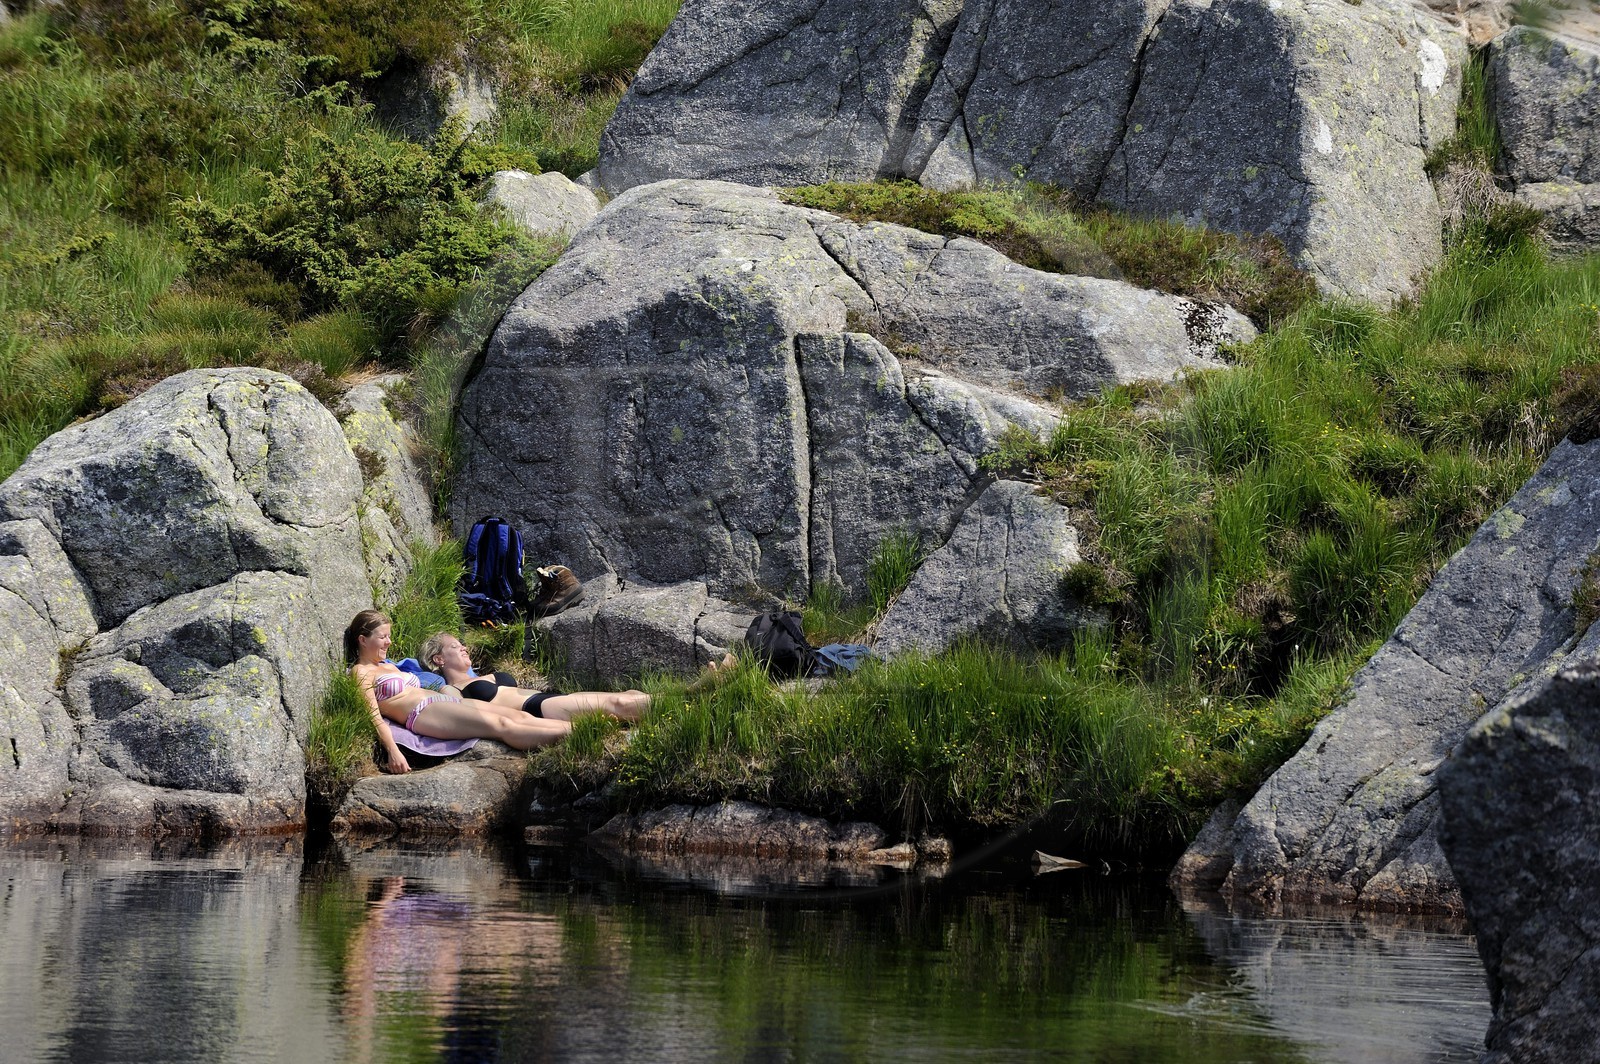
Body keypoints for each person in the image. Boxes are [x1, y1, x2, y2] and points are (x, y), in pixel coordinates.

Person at [345, 610, 570, 775]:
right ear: (363, 640)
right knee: (502, 725)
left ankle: (581, 727)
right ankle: (571, 734)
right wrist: (393, 751)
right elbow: (373, 715)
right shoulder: (361, 672)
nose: (389, 642)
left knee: (517, 716)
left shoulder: (389, 666)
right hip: (422, 713)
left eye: (389, 635)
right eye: (382, 637)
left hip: (441, 701)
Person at [416, 631, 649, 723]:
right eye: (456, 647)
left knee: (630, 694)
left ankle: (679, 701)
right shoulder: (454, 690)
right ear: (439, 659)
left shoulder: (481, 676)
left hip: (548, 698)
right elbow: (450, 706)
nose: (464, 648)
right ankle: (680, 705)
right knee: (620, 704)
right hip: (535, 709)